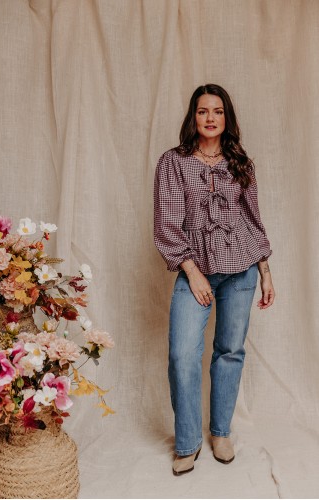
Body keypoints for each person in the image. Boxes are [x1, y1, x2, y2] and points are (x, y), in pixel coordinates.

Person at [153, 83, 275, 476]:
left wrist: (265, 271)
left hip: (241, 270)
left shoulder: (240, 163)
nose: (210, 118)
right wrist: (192, 271)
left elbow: (252, 220)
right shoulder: (173, 163)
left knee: (230, 351)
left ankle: (221, 432)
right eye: (203, 111)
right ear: (193, 116)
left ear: (227, 118)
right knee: (183, 354)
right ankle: (187, 442)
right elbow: (167, 225)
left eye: (218, 111)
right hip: (197, 271)